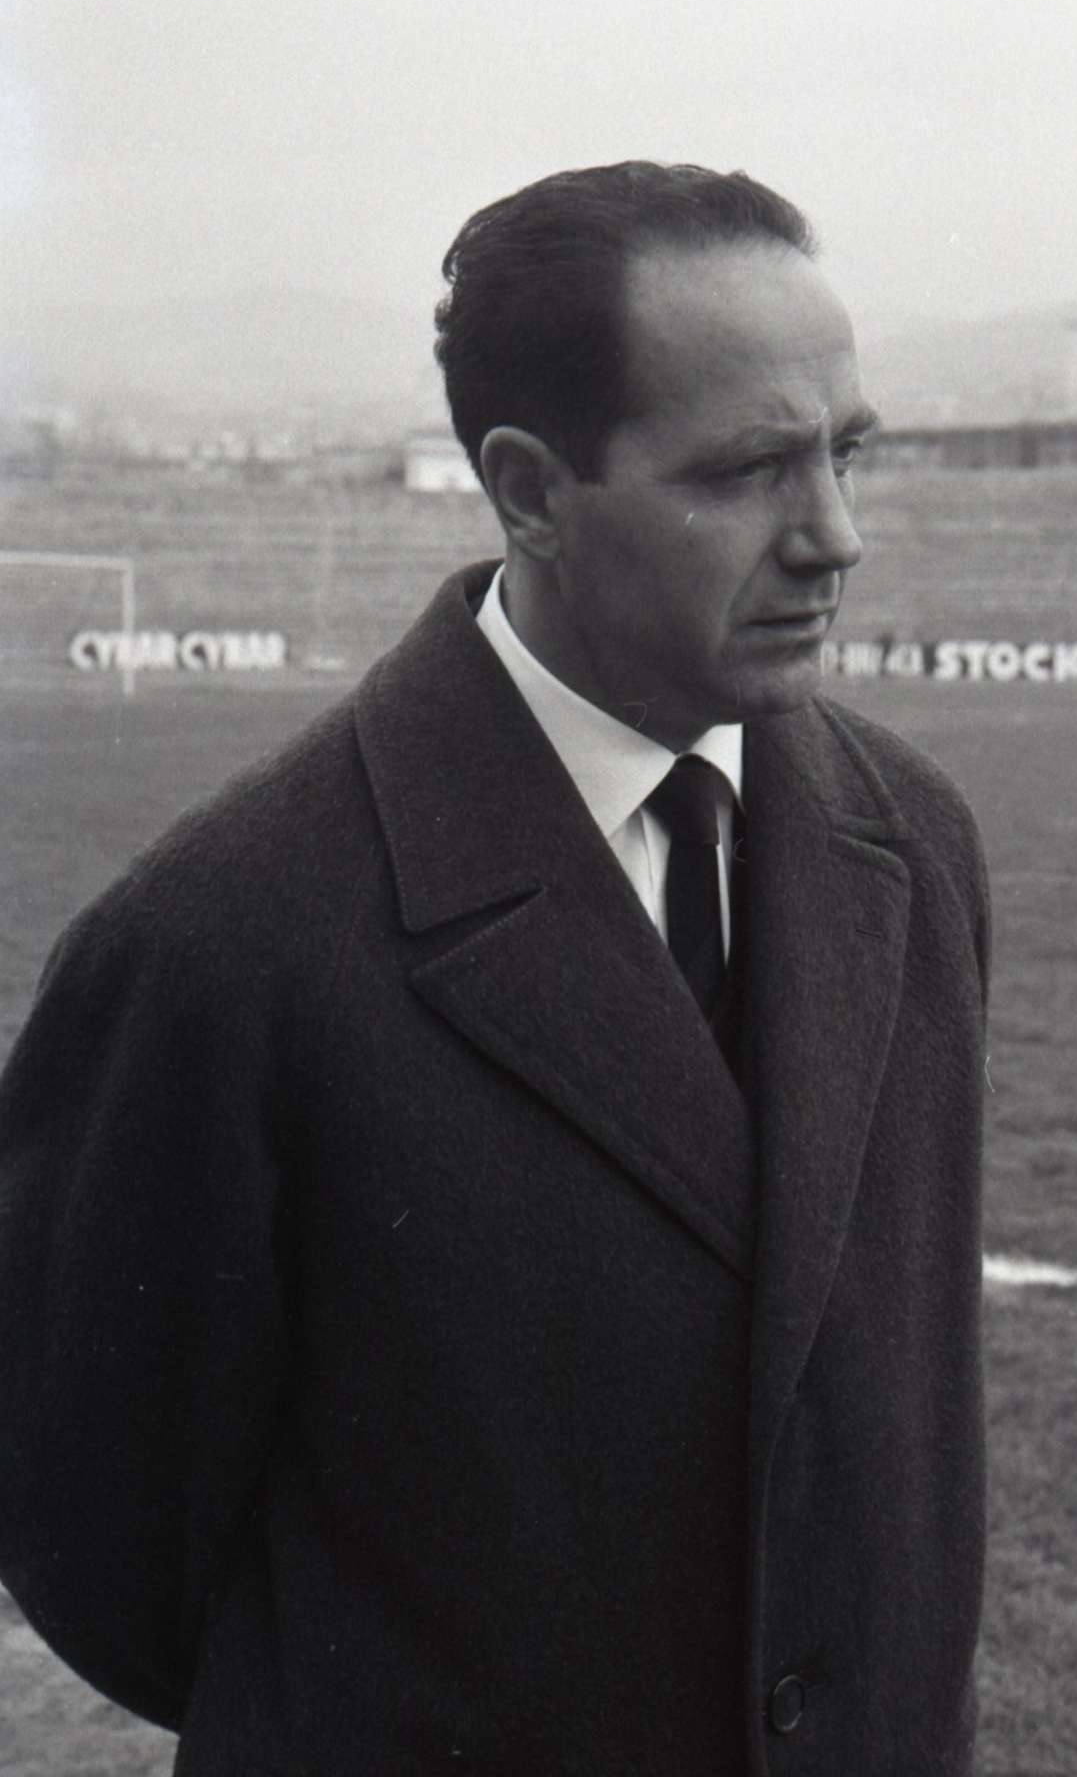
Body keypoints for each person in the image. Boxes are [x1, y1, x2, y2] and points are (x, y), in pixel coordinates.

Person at [0, 162, 991, 1776]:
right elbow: (98, 1536)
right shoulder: (220, 937)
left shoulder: (915, 841)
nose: (838, 537)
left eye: (848, 452)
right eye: (750, 470)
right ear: (530, 491)